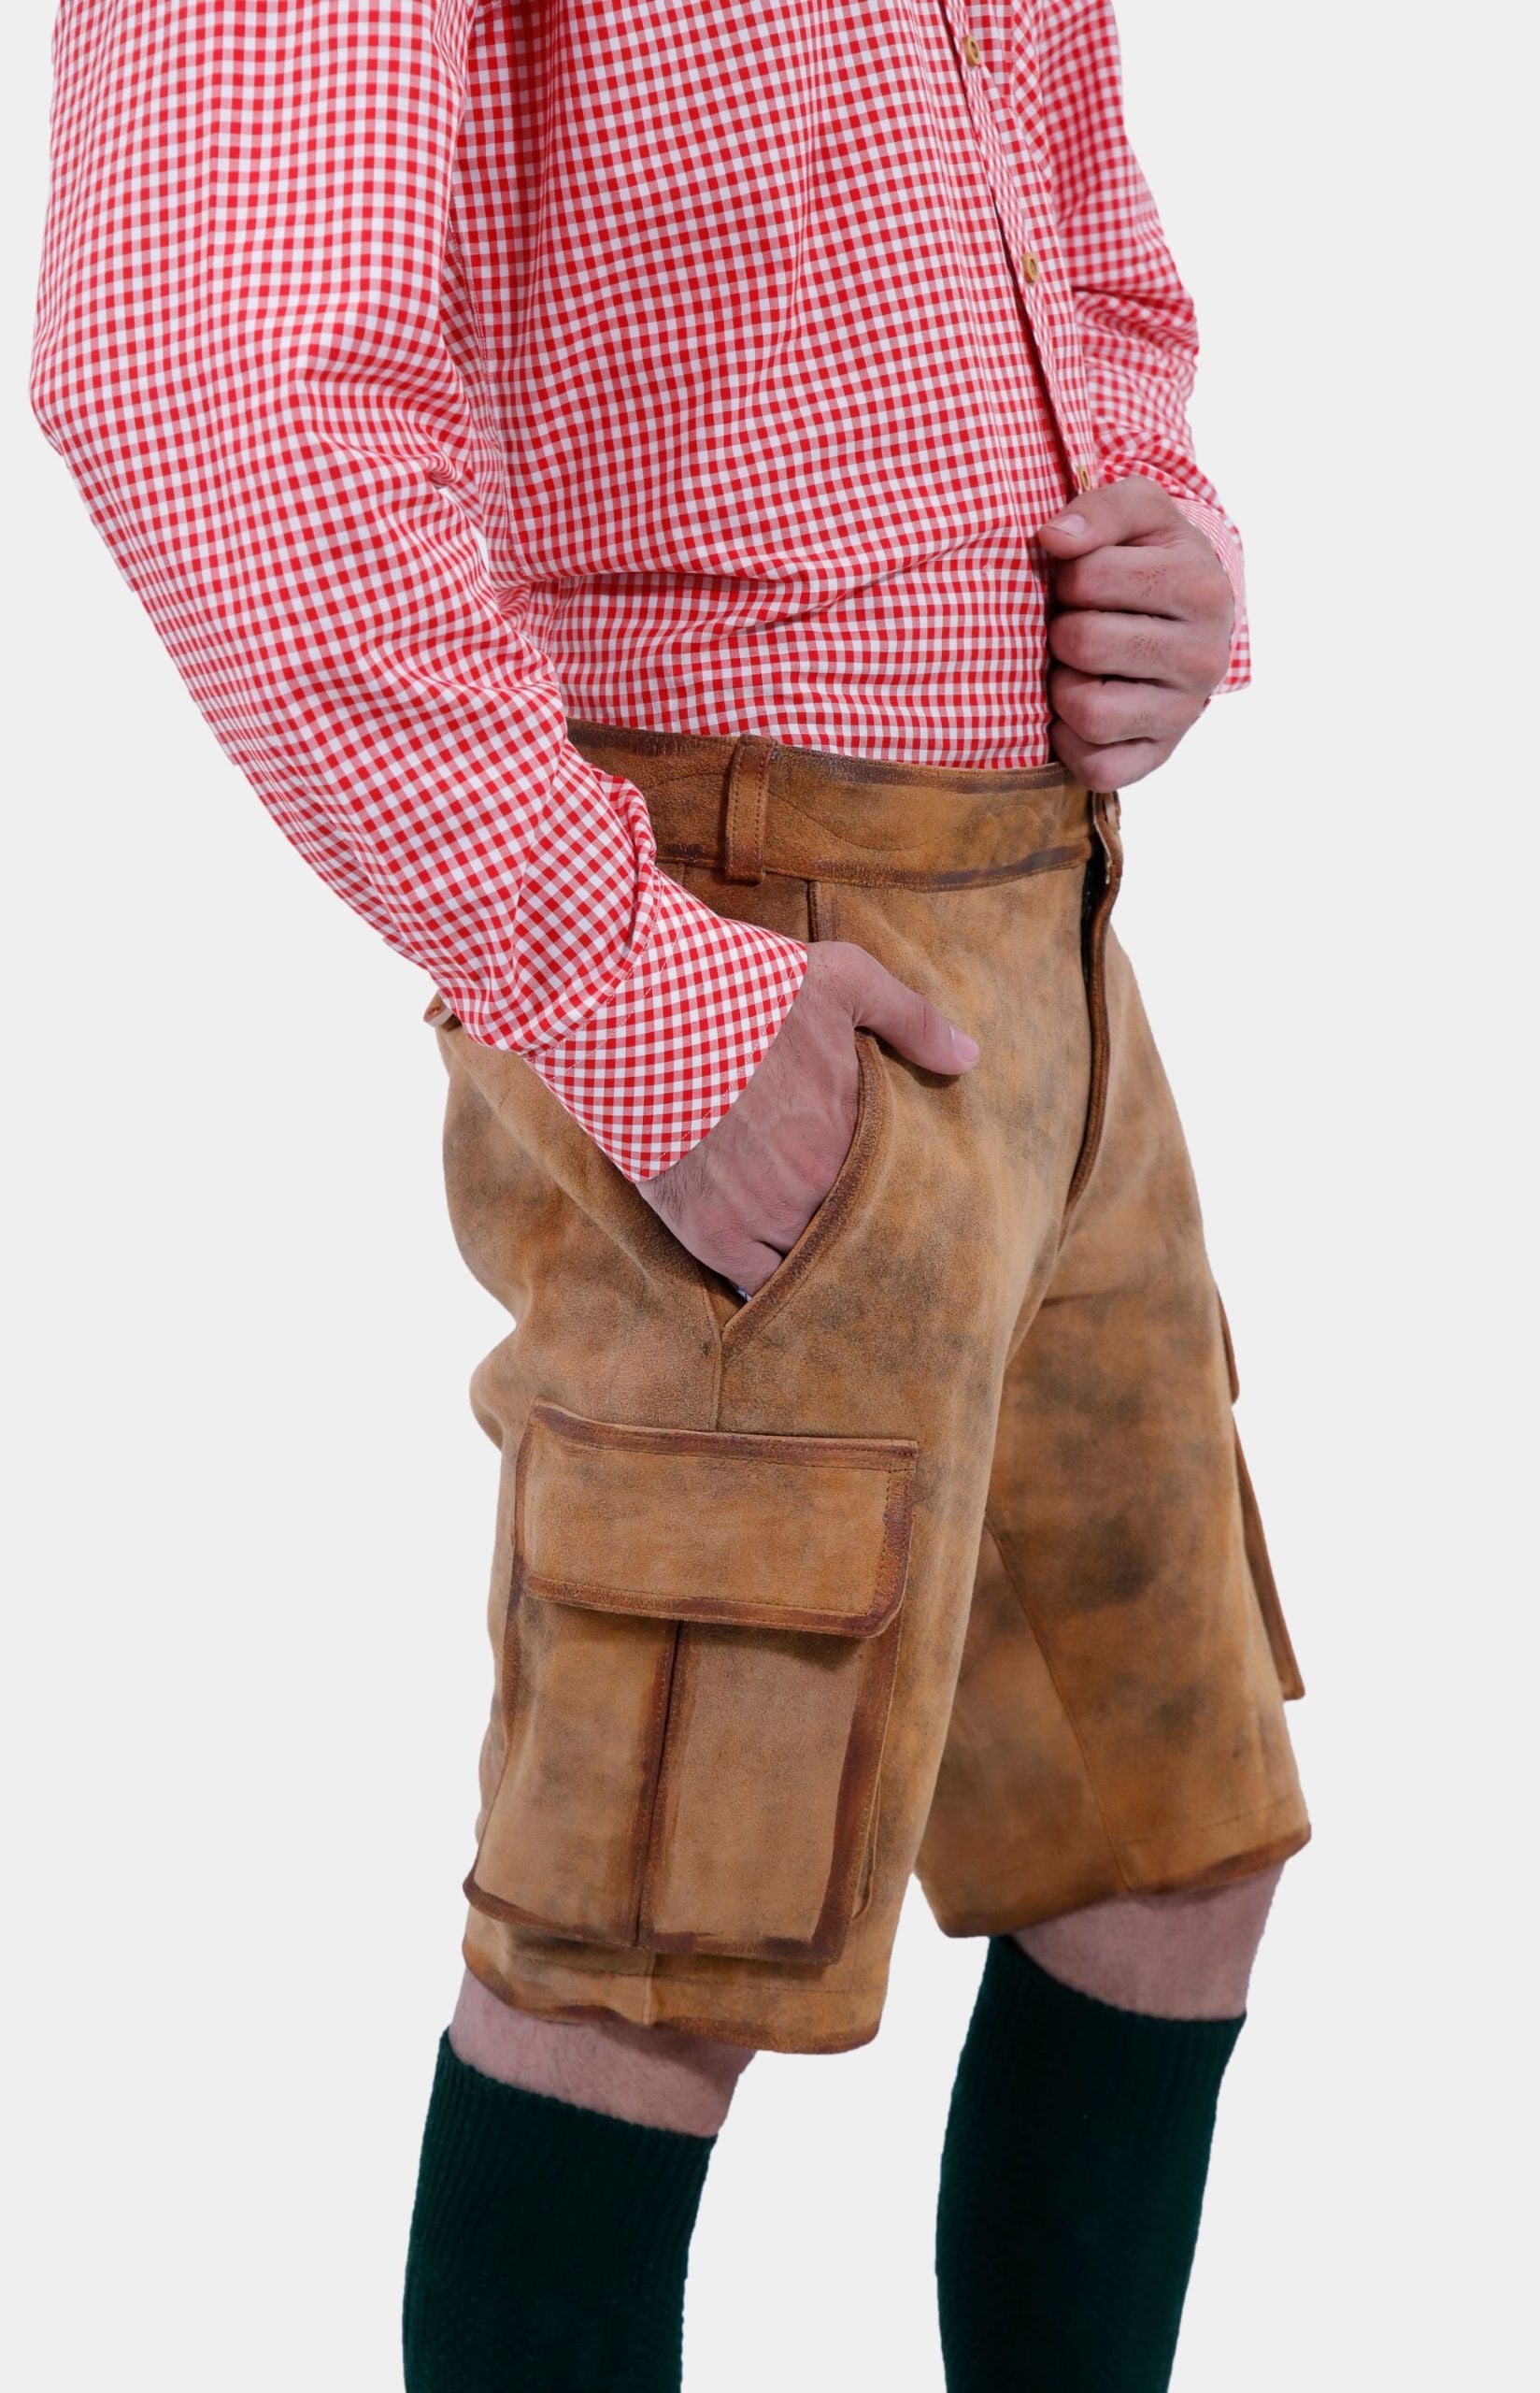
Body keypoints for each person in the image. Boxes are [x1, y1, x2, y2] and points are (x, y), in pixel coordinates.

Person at [31, 3, 1310, 2385]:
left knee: (1164, 1847)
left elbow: (1050, 162)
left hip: (1043, 926)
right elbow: (202, 375)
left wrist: (1156, 521)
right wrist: (625, 987)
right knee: (646, 1956)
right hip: (731, 937)